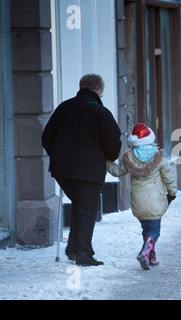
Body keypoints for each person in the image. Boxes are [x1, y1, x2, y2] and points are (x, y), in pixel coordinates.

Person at [42, 74, 122, 266]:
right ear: (99, 91)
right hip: (88, 170)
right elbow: (113, 145)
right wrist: (106, 157)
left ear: (81, 87)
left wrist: (60, 156)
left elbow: (46, 138)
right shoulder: (100, 112)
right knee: (87, 210)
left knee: (80, 205)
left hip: (62, 170)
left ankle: (73, 249)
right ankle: (84, 254)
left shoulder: (64, 107)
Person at [106, 123, 177, 270]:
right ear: (150, 139)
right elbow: (169, 177)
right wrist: (172, 193)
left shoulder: (129, 157)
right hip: (155, 201)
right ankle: (145, 252)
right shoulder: (159, 157)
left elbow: (117, 171)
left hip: (138, 202)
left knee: (146, 230)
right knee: (154, 232)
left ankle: (151, 257)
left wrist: (106, 161)